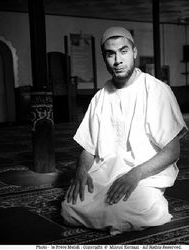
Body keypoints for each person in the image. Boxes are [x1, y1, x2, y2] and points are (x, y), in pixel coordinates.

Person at [61, 26, 188, 235]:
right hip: (105, 173)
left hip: (144, 175)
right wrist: (81, 171)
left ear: (134, 52)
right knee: (69, 207)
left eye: (123, 51)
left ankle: (150, 202)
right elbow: (88, 148)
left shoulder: (156, 90)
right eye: (111, 54)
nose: (117, 60)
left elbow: (173, 151)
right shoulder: (100, 97)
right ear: (104, 58)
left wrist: (134, 175)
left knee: (126, 210)